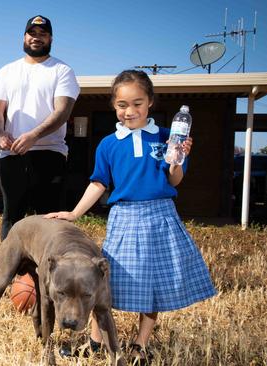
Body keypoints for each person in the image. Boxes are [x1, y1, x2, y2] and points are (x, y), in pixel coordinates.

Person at [45, 70, 216, 364]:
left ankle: (140, 344)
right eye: (123, 104)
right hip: (124, 218)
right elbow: (99, 183)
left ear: (149, 102)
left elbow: (174, 180)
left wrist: (178, 159)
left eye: (137, 103)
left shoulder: (166, 137)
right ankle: (95, 343)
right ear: (114, 105)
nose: (130, 111)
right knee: (104, 282)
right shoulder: (109, 144)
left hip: (161, 216)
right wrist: (73, 213)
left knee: (155, 284)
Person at [0, 15, 80, 242]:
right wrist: (0, 133)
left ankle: (46, 275)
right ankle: (7, 273)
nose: (37, 38)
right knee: (11, 218)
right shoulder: (6, 71)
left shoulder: (62, 70)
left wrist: (34, 135)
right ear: (24, 36)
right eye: (32, 33)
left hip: (50, 154)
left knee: (49, 219)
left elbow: (62, 112)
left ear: (50, 38)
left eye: (43, 34)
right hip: (12, 154)